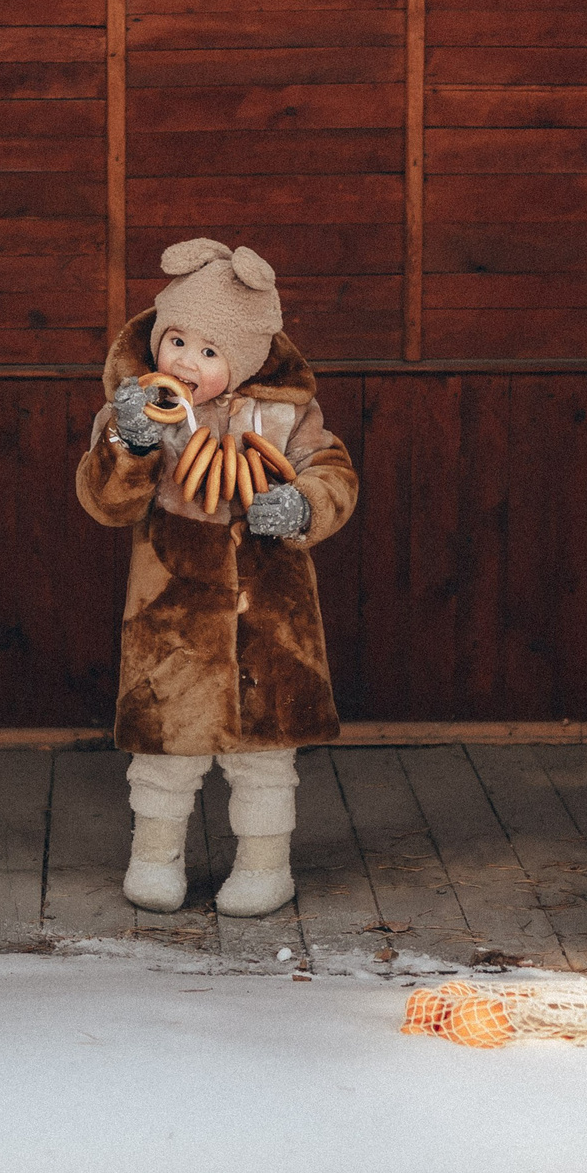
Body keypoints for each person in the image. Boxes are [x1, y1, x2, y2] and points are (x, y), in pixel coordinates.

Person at [73, 239, 358, 918]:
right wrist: (131, 445)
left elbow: (334, 472)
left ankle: (265, 866)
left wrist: (302, 502)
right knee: (166, 751)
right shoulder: (136, 411)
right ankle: (155, 857)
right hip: (171, 611)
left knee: (264, 755)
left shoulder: (287, 416)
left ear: (248, 357)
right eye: (177, 341)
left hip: (269, 617)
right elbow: (106, 501)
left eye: (210, 352)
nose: (186, 363)